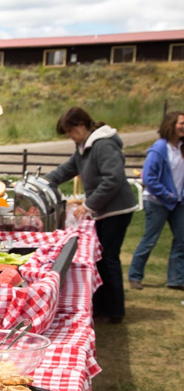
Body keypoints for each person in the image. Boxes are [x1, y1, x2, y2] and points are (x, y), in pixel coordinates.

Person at [43, 106, 138, 323]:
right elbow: (67, 169)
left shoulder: (103, 145)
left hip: (116, 210)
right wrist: (43, 182)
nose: (69, 136)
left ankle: (114, 311)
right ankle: (104, 306)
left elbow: (112, 179)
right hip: (104, 210)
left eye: (70, 131)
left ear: (82, 125)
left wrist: (88, 205)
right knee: (102, 258)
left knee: (109, 258)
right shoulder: (84, 146)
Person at [128, 110, 184, 291]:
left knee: (182, 239)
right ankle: (135, 276)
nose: (183, 127)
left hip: (178, 202)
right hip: (157, 201)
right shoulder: (159, 148)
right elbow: (149, 178)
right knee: (150, 239)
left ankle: (176, 279)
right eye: (181, 123)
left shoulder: (182, 147)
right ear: (171, 125)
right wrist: (167, 194)